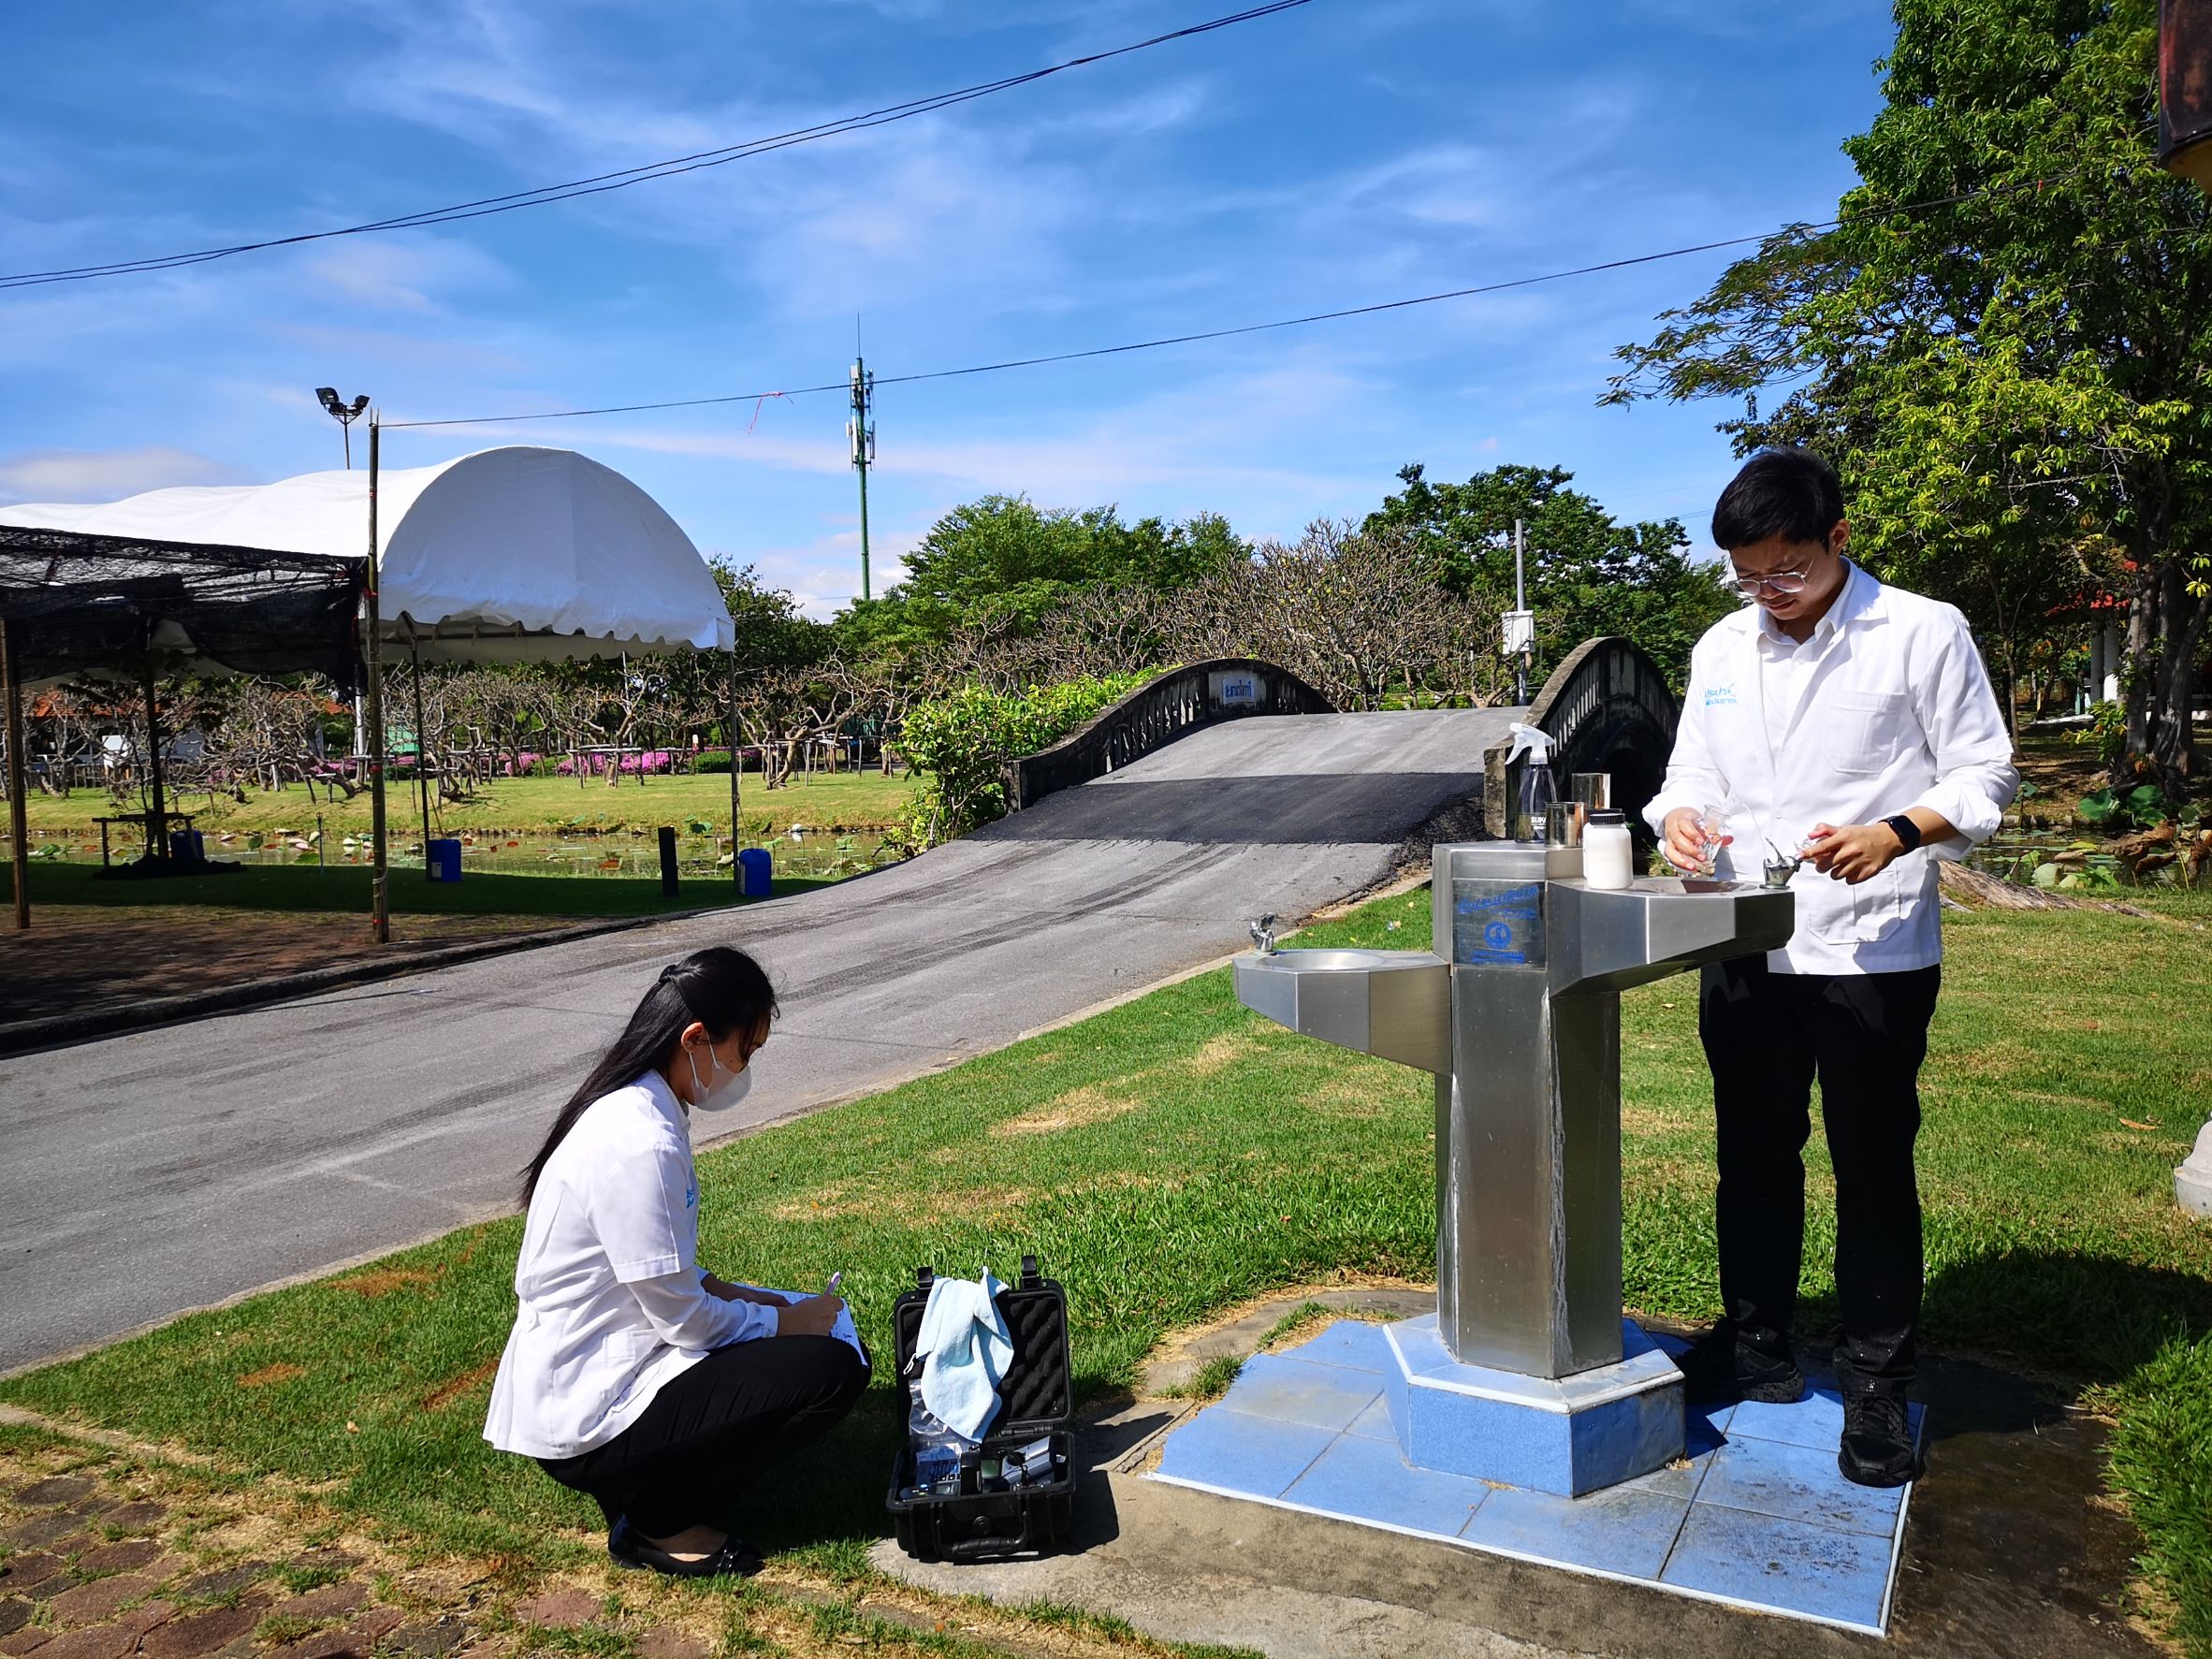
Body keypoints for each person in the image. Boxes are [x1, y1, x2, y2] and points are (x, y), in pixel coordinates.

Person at [1642, 447, 2017, 1489]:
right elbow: (1690, 773)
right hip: (1743, 936)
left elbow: (1986, 774)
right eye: (1749, 575)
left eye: (1787, 571)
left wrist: (1896, 831)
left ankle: (1878, 1384)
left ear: (1838, 541)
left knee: (1872, 1160)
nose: (1768, 594)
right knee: (1752, 1152)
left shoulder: (1922, 631)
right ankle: (1755, 1346)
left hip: (1870, 945)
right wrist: (1675, 817)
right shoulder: (1723, 645)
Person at [483, 946, 867, 1576]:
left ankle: (644, 1483)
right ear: (695, 1039)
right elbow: (686, 1321)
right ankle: (660, 1519)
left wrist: (765, 1301)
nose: (743, 1069)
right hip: (590, 1405)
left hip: (610, 1368)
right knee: (830, 1369)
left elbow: (664, 1272)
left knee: (816, 1342)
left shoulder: (641, 1108)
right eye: (744, 1050)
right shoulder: (640, 1141)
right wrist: (785, 1323)